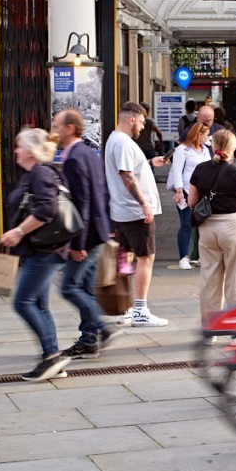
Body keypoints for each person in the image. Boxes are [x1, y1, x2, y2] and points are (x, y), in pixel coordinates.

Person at [0, 129, 71, 381]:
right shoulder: (38, 172)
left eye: (19, 147)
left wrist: (18, 231)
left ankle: (52, 357)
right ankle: (52, 359)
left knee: (23, 302)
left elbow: (47, 209)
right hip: (40, 249)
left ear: (30, 151)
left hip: (43, 251)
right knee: (38, 304)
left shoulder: (40, 172)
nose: (15, 151)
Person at [52, 108, 117, 359]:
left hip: (87, 237)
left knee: (69, 287)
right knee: (86, 287)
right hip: (97, 232)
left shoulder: (76, 158)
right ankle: (89, 340)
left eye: (57, 126)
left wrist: (78, 244)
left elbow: (83, 203)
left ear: (70, 128)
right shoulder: (88, 154)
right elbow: (102, 193)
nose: (54, 131)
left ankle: (102, 328)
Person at [103, 101, 168, 327]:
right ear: (131, 120)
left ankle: (127, 308)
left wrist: (150, 162)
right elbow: (127, 176)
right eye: (141, 122)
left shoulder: (116, 140)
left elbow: (130, 170)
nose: (142, 127)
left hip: (123, 212)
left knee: (126, 257)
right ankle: (140, 310)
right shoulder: (122, 143)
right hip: (134, 213)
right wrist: (144, 204)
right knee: (146, 258)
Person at [188, 128, 236, 321]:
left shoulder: (200, 169)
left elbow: (192, 202)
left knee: (209, 279)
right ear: (233, 148)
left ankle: (211, 330)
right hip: (234, 227)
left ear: (214, 146)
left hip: (208, 228)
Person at [170, 120, 211, 269]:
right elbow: (177, 170)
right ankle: (183, 257)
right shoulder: (183, 149)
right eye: (206, 135)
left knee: (203, 224)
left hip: (202, 192)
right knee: (186, 224)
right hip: (186, 191)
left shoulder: (206, 150)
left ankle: (200, 255)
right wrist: (179, 190)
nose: (208, 137)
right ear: (198, 134)